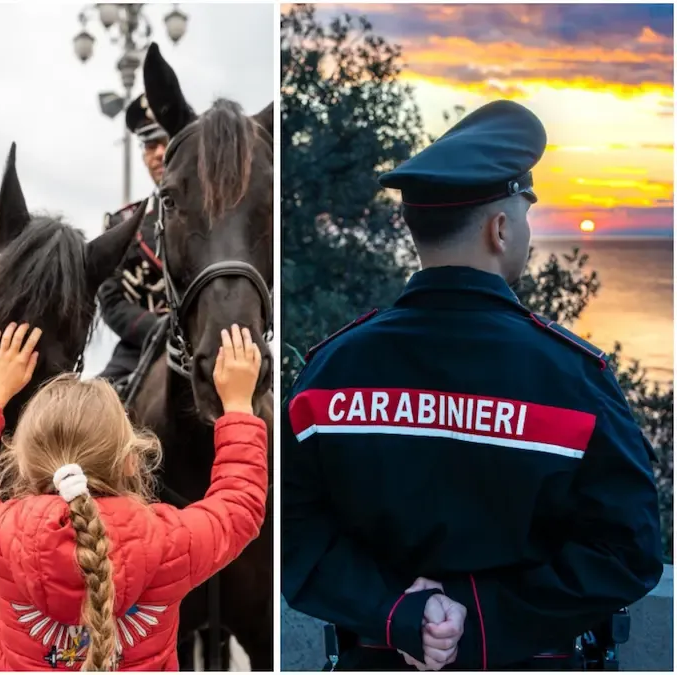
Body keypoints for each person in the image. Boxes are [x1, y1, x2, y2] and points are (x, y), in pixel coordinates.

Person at [280, 100, 663, 671]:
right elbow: (628, 552)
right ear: (500, 228)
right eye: (524, 216)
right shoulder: (573, 379)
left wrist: (400, 614)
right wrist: (478, 617)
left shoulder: (330, 372)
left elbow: (293, 535)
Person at [0, 321, 268, 670]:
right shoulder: (168, 542)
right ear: (133, 461)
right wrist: (239, 405)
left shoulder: (4, 536)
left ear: (22, 463)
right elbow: (239, 503)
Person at [96, 93, 170, 389]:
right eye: (150, 145)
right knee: (89, 411)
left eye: (166, 141)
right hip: (140, 346)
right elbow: (111, 300)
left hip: (208, 343)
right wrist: (159, 330)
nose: (159, 154)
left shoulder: (217, 216)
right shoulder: (122, 224)